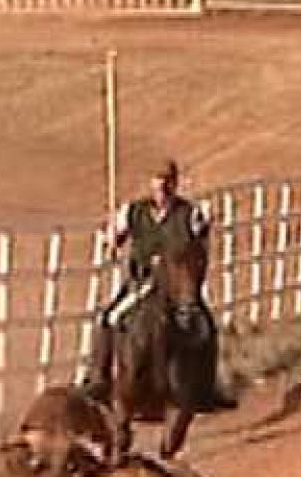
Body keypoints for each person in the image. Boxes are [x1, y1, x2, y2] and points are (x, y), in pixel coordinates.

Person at [81, 159, 212, 402]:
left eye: (166, 184)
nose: (161, 190)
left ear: (175, 184)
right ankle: (98, 378)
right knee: (108, 317)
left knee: (204, 327)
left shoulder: (189, 214)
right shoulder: (133, 211)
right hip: (141, 282)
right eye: (157, 183)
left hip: (177, 285)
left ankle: (206, 388)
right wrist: (111, 242)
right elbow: (113, 237)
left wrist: (192, 280)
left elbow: (201, 249)